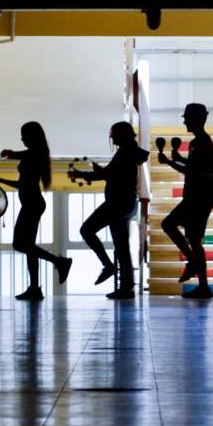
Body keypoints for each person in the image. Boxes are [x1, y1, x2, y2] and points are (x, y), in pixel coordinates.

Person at [0, 121, 72, 300]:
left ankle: (60, 262)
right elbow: (21, 157)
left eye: (24, 136)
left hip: (32, 204)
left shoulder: (33, 154)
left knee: (20, 244)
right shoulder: (36, 153)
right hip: (33, 204)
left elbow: (23, 183)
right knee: (28, 246)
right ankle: (35, 288)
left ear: (32, 137)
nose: (22, 139)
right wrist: (10, 154)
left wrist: (1, 179)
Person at [79, 121, 149, 300]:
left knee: (86, 230)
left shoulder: (124, 152)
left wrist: (82, 175)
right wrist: (102, 172)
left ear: (121, 136)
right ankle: (126, 288)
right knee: (122, 247)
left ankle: (108, 266)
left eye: (114, 136)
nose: (112, 139)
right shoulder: (130, 152)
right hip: (127, 203)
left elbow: (108, 174)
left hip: (117, 203)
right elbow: (114, 174)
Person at [157, 103, 213, 299]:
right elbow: (195, 166)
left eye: (187, 118)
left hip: (198, 197)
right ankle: (203, 285)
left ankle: (193, 263)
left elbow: (193, 171)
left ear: (196, 119)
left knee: (169, 225)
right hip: (199, 196)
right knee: (195, 241)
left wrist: (170, 162)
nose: (184, 122)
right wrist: (180, 159)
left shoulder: (201, 142)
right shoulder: (199, 142)